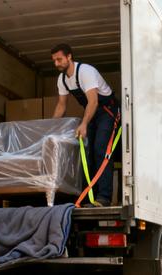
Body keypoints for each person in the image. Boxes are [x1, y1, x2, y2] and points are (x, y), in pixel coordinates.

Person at [50, 43, 119, 207]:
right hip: (93, 113)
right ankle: (90, 197)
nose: (56, 64)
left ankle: (104, 197)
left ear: (69, 57)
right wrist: (50, 127)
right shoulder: (62, 79)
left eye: (59, 59)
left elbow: (93, 101)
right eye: (54, 60)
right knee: (86, 154)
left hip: (107, 111)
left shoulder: (85, 72)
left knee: (101, 150)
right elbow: (61, 105)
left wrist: (84, 124)